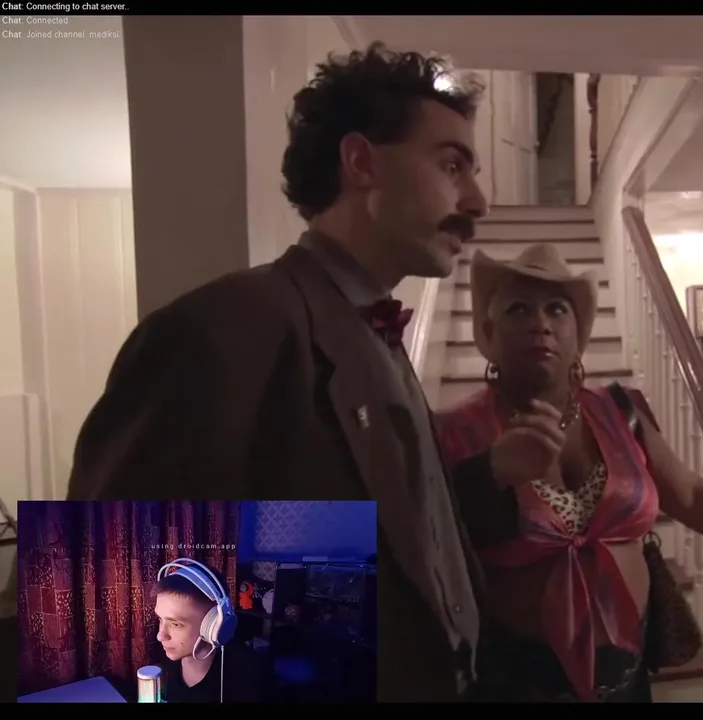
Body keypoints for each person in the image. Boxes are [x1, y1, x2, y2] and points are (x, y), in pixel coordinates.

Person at [66, 43, 492, 701]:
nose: (479, 200)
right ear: (361, 162)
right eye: (452, 164)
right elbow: (117, 613)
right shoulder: (220, 331)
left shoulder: (375, 334)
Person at [433, 244, 703, 702]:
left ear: (578, 333)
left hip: (628, 675)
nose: (540, 322)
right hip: (516, 683)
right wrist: (493, 471)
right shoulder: (453, 432)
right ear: (489, 332)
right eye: (518, 308)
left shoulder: (619, 411)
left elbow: (692, 495)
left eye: (556, 308)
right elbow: (429, 548)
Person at [153, 564, 267, 703]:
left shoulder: (249, 675)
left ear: (214, 624)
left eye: (175, 624)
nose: (160, 636)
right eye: (160, 619)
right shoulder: (170, 660)